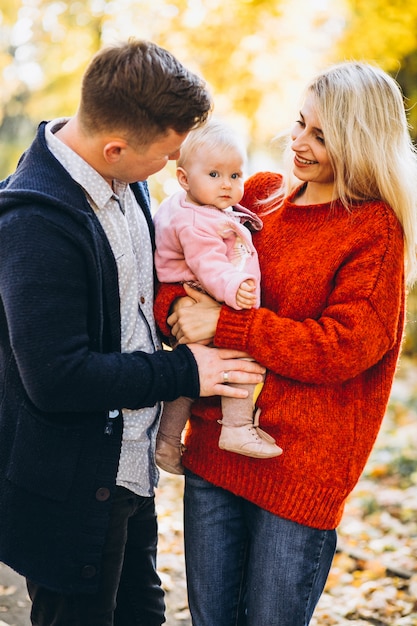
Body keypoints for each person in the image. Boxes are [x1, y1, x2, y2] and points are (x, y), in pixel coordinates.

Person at [0, 39, 266, 626]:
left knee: (144, 614)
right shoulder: (34, 224)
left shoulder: (128, 180)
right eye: (167, 156)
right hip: (69, 489)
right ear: (115, 146)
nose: (173, 169)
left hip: (129, 468)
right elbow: (57, 379)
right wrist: (186, 370)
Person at [154, 61, 417, 625]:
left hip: (299, 472)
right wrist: (177, 309)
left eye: (320, 135)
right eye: (300, 124)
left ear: (359, 141)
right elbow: (175, 265)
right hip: (216, 452)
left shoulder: (374, 230)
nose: (297, 142)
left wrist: (223, 325)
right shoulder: (256, 195)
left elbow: (340, 348)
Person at [153, 119, 282, 474]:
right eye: (214, 175)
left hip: (195, 294)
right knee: (241, 357)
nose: (227, 185)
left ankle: (165, 442)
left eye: (236, 176)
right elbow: (207, 263)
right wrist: (233, 290)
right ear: (183, 178)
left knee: (189, 377)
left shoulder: (196, 207)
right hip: (208, 290)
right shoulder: (196, 224)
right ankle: (238, 428)